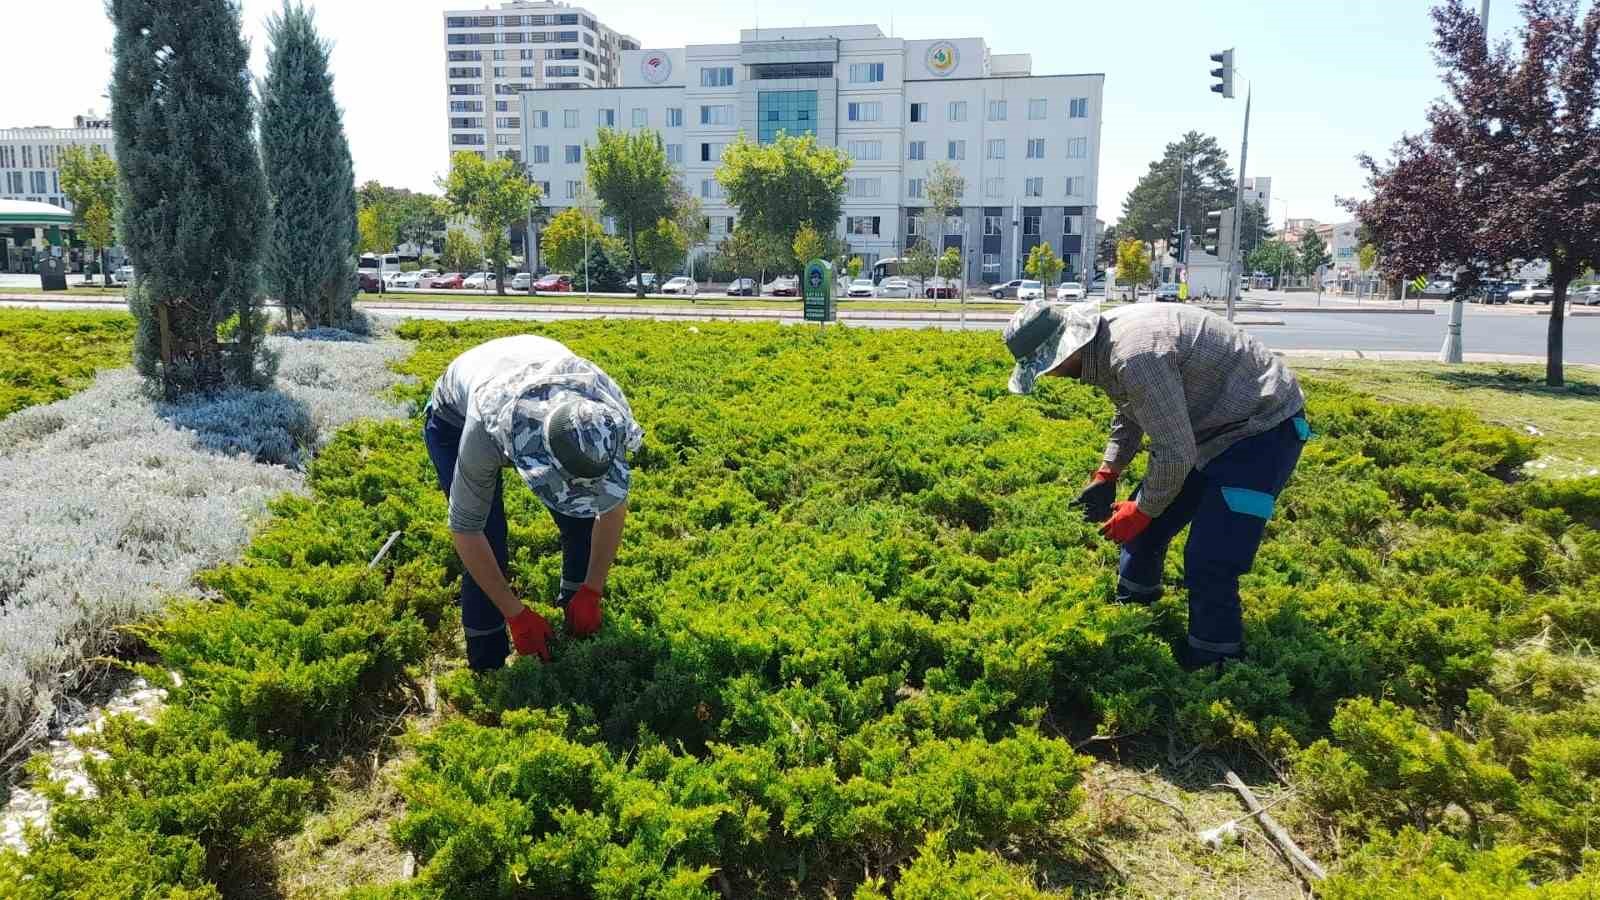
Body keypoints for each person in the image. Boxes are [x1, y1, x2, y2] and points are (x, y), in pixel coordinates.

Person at [1002, 300, 1308, 671]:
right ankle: (1135, 617)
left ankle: (1217, 663)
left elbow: (1175, 453)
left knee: (1211, 557)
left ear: (1065, 352)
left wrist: (1143, 510)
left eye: (1047, 367)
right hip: (1206, 430)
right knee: (1146, 531)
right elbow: (1130, 410)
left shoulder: (1136, 355)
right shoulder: (1107, 345)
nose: (1049, 375)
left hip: (1262, 429)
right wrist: (1108, 473)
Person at [422, 334, 643, 670]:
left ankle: (574, 623)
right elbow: (466, 530)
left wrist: (593, 589)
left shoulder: (604, 420)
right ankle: (488, 666)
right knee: (490, 543)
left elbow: (612, 505)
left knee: (581, 520)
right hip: (455, 416)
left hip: (536, 371)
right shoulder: (484, 427)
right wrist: (516, 614)